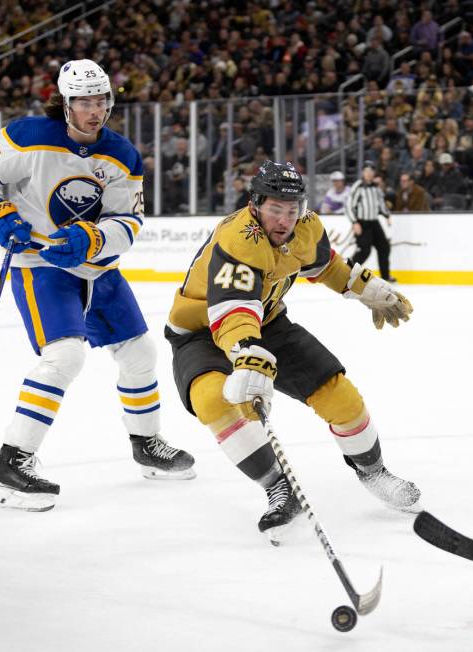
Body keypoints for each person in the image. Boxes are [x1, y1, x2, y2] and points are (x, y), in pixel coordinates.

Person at [0, 59, 195, 512]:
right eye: (84, 101)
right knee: (64, 356)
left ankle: (146, 445)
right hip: (39, 264)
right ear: (64, 104)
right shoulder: (26, 136)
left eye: (101, 100)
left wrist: (93, 238)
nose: (95, 110)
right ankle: (12, 466)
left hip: (95, 267)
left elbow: (129, 219)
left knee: (140, 353)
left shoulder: (122, 153)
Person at [164, 160, 419, 545]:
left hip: (267, 322)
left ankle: (374, 472)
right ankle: (276, 488)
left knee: (338, 392)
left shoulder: (304, 228)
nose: (284, 219)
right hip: (200, 331)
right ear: (254, 205)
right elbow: (233, 308)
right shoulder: (239, 237)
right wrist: (247, 353)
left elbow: (324, 264)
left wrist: (362, 287)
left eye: (291, 209)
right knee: (213, 401)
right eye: (274, 209)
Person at [345, 160, 396, 282]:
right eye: (366, 171)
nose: (368, 174)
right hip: (362, 223)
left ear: (374, 173)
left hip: (374, 222)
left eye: (371, 171)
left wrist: (387, 215)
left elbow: (380, 204)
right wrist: (354, 222)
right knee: (364, 250)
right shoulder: (358, 186)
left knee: (384, 247)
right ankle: (346, 272)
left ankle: (385, 276)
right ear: (363, 172)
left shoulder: (376, 188)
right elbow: (349, 205)